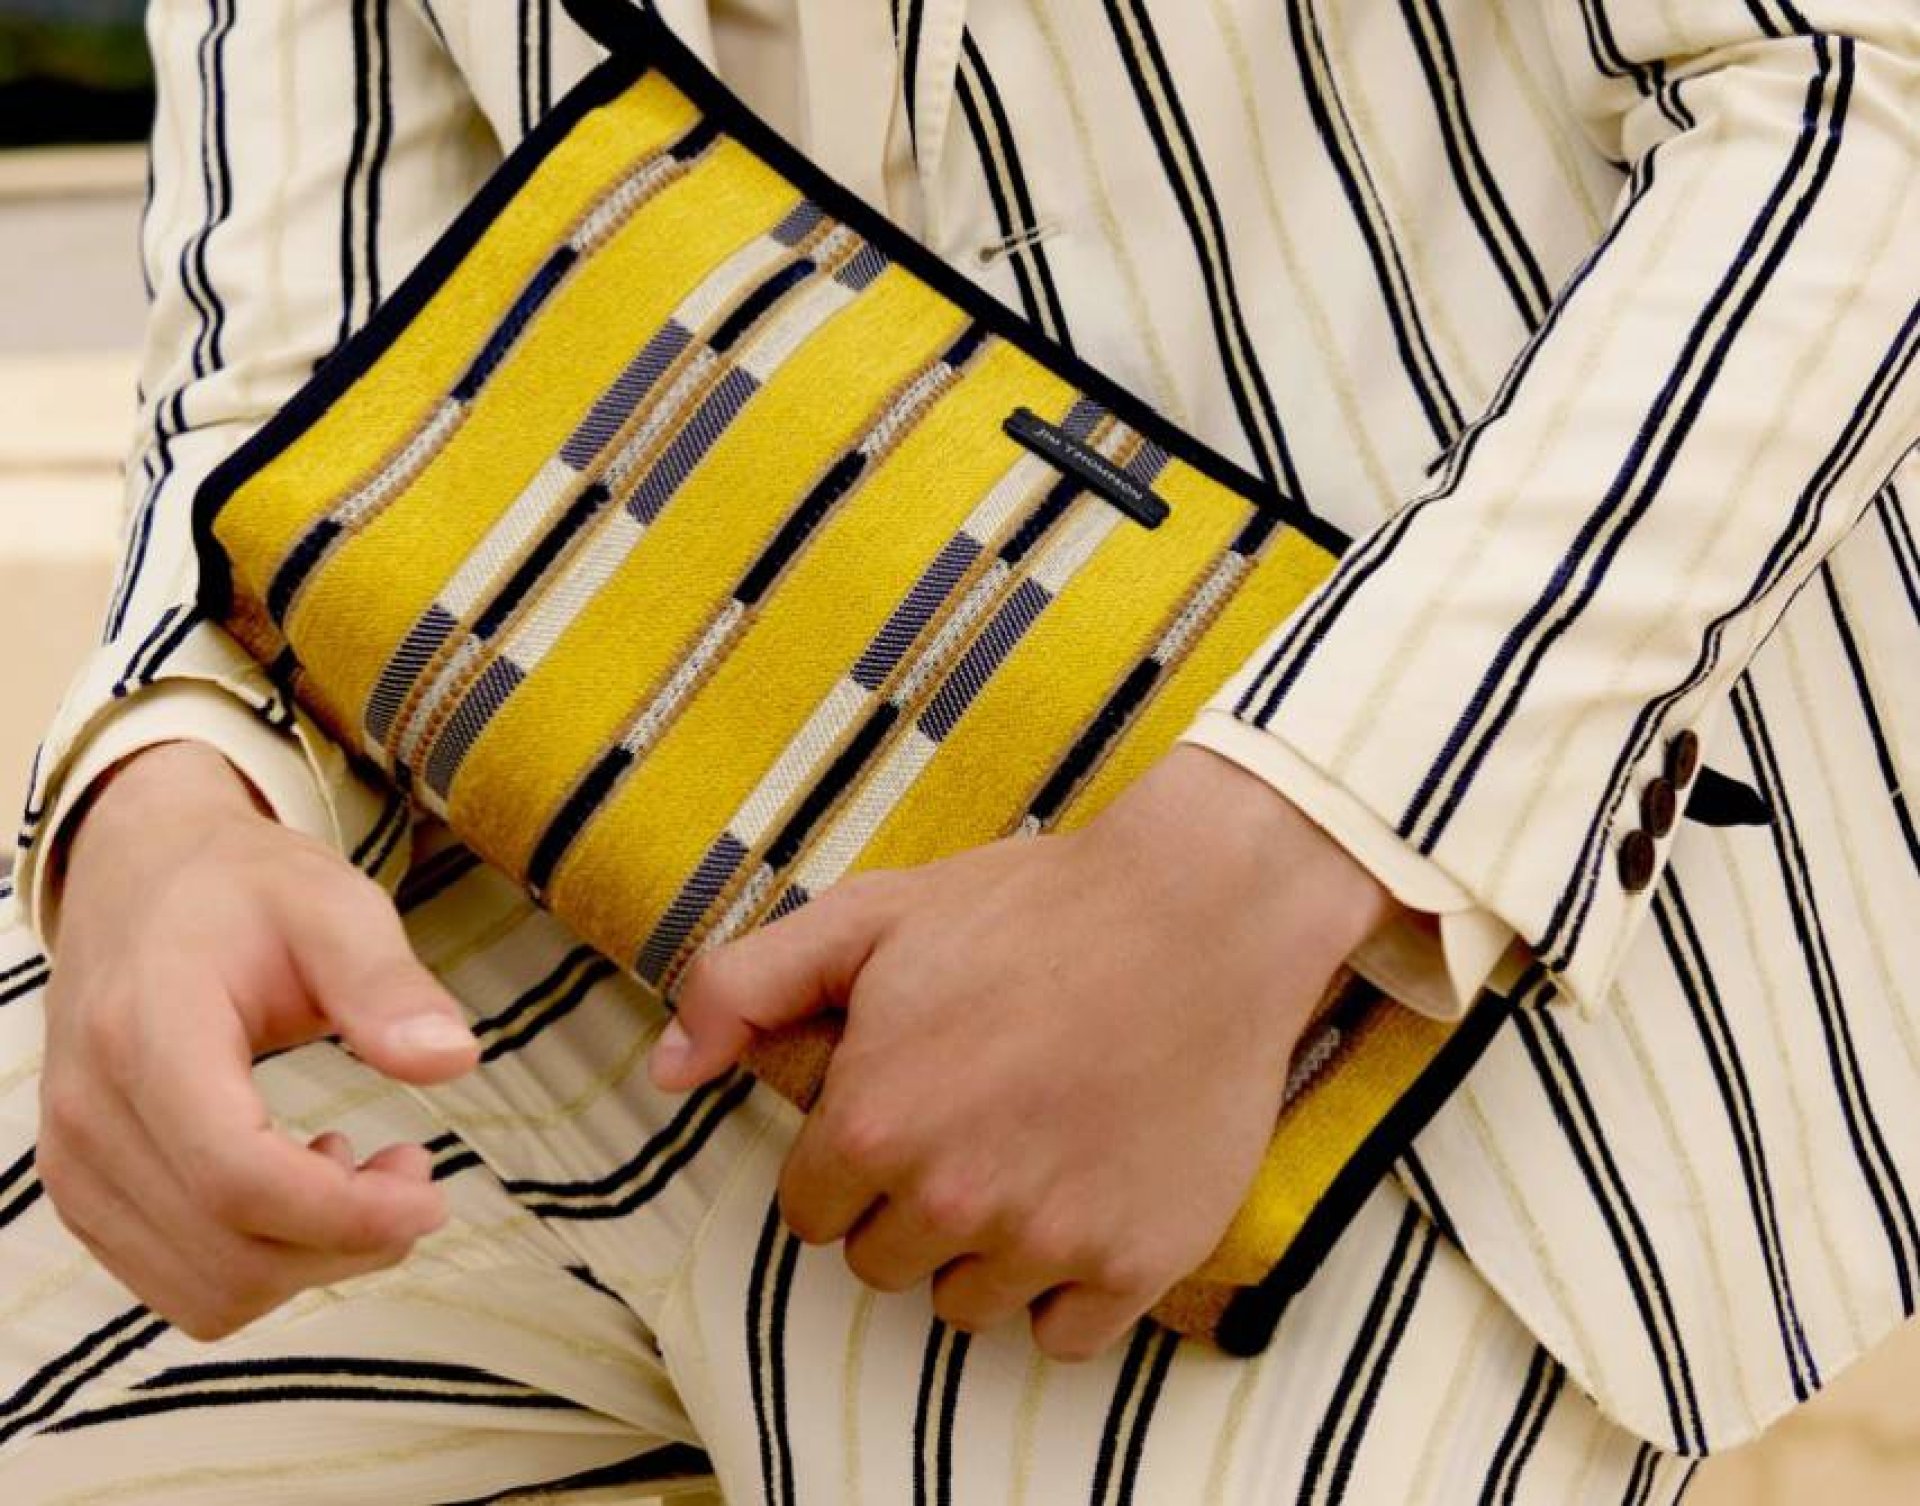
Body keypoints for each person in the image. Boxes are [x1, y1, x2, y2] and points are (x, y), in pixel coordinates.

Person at [1, 0, 1915, 1499]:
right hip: (520, 847)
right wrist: (168, 793)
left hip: (1380, 978)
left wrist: (1273, 851)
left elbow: (1862, 90)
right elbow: (305, 321)